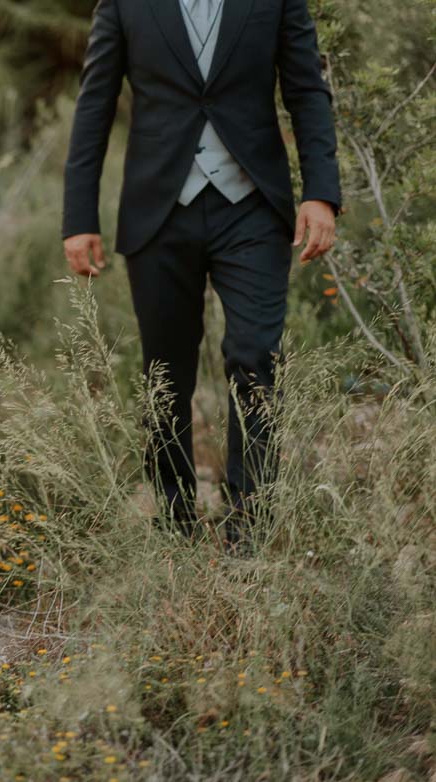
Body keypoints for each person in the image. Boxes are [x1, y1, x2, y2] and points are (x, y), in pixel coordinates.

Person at [62, 0, 341, 545]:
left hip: (254, 208)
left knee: (256, 354)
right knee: (166, 371)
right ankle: (174, 519)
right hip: (159, 211)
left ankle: (251, 523)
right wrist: (79, 218)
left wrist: (322, 195)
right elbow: (94, 104)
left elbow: (307, 91)